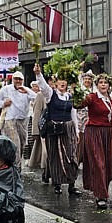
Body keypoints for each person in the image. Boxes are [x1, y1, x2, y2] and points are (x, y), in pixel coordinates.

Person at [78, 73, 112, 209]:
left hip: (110, 133)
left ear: (109, 85)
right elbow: (78, 105)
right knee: (99, 163)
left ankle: (102, 187)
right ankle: (100, 195)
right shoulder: (92, 97)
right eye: (100, 83)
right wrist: (76, 94)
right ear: (97, 85)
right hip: (95, 132)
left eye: (105, 83)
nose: (103, 85)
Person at [34, 63, 82, 196]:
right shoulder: (51, 94)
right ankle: (57, 184)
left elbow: (74, 114)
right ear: (55, 83)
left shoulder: (70, 96)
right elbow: (43, 86)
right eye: (59, 80)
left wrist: (76, 131)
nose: (62, 83)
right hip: (54, 128)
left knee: (71, 156)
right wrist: (38, 74)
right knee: (55, 156)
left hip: (68, 128)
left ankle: (72, 184)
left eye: (64, 81)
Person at [0, 71, 36, 169]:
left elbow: (36, 98)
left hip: (22, 121)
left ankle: (15, 165)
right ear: (12, 80)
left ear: (23, 80)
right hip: (10, 120)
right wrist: (4, 103)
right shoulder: (6, 89)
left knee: (22, 144)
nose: (17, 81)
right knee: (15, 144)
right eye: (15, 79)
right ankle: (15, 168)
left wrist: (27, 91)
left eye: (19, 79)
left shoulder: (26, 90)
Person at [27, 81, 48, 176]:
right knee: (44, 152)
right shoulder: (40, 95)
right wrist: (35, 131)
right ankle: (46, 172)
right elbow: (37, 113)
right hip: (44, 127)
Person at [76, 70, 95, 168]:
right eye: (85, 79)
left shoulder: (94, 91)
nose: (87, 81)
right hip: (80, 117)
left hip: (91, 117)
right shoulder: (80, 91)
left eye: (89, 79)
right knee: (80, 139)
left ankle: (88, 160)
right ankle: (78, 160)